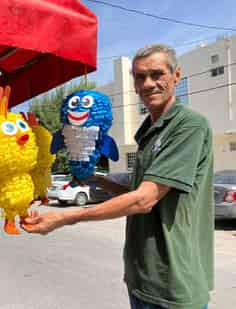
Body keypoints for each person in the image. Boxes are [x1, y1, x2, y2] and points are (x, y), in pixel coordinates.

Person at [22, 44, 213, 309]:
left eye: (157, 74)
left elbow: (144, 200)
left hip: (173, 288)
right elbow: (138, 195)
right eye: (139, 76)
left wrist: (65, 217)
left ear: (176, 76)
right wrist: (96, 179)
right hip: (142, 281)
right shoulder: (149, 132)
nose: (148, 84)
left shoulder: (188, 125)